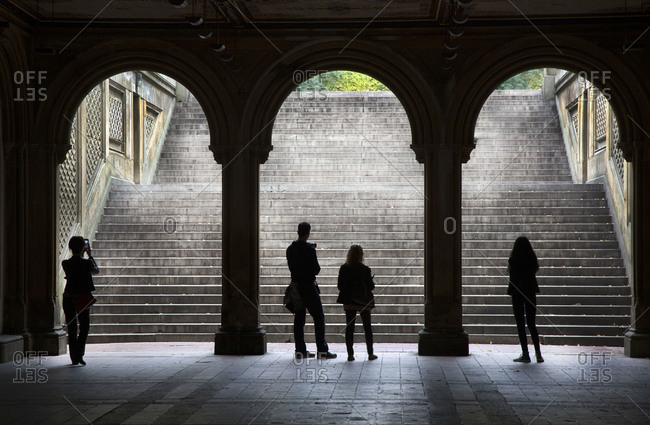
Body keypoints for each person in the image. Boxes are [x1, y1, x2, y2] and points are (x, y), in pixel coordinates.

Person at [286, 222, 336, 359]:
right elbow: (316, 269)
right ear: (308, 233)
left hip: (295, 286)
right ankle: (322, 350)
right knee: (318, 317)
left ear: (298, 232)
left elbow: (292, 267)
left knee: (299, 319)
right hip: (308, 286)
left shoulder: (290, 249)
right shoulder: (309, 250)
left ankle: (300, 350)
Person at [62, 236, 99, 366]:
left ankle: (74, 357)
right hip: (82, 297)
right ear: (83, 248)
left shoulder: (65, 263)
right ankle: (79, 354)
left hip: (68, 297)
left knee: (72, 328)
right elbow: (96, 271)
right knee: (84, 327)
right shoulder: (87, 263)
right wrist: (90, 255)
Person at [337, 244, 377, 361]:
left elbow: (340, 286)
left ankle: (350, 355)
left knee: (350, 328)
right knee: (367, 327)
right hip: (363, 302)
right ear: (361, 255)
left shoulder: (343, 268)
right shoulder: (365, 269)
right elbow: (371, 287)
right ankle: (370, 353)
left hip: (349, 301)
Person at [508, 236, 543, 363]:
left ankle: (525, 354)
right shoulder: (532, 259)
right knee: (532, 323)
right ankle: (538, 354)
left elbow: (512, 276)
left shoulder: (513, 259)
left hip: (517, 293)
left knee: (520, 324)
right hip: (530, 292)